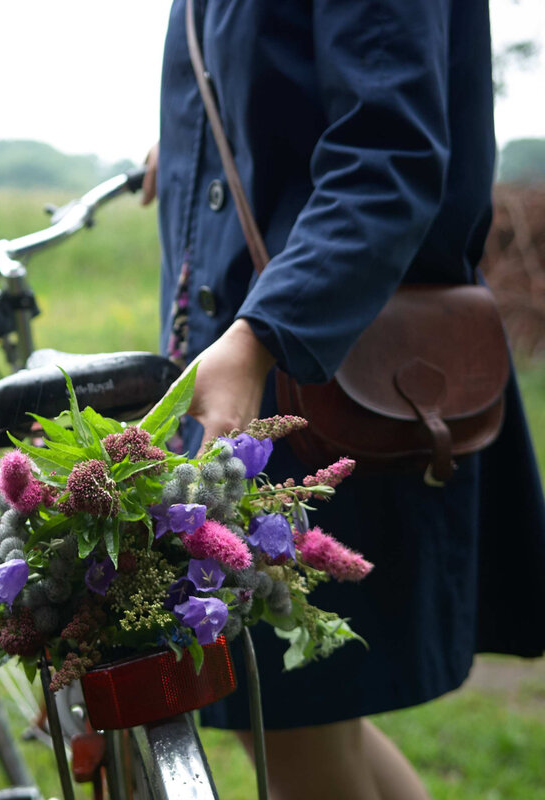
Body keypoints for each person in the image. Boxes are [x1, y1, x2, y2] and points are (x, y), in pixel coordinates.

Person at [142, 1, 545, 798]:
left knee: (288, 712)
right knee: (302, 718)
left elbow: (388, 153)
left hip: (310, 365)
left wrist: (262, 335)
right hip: (266, 358)